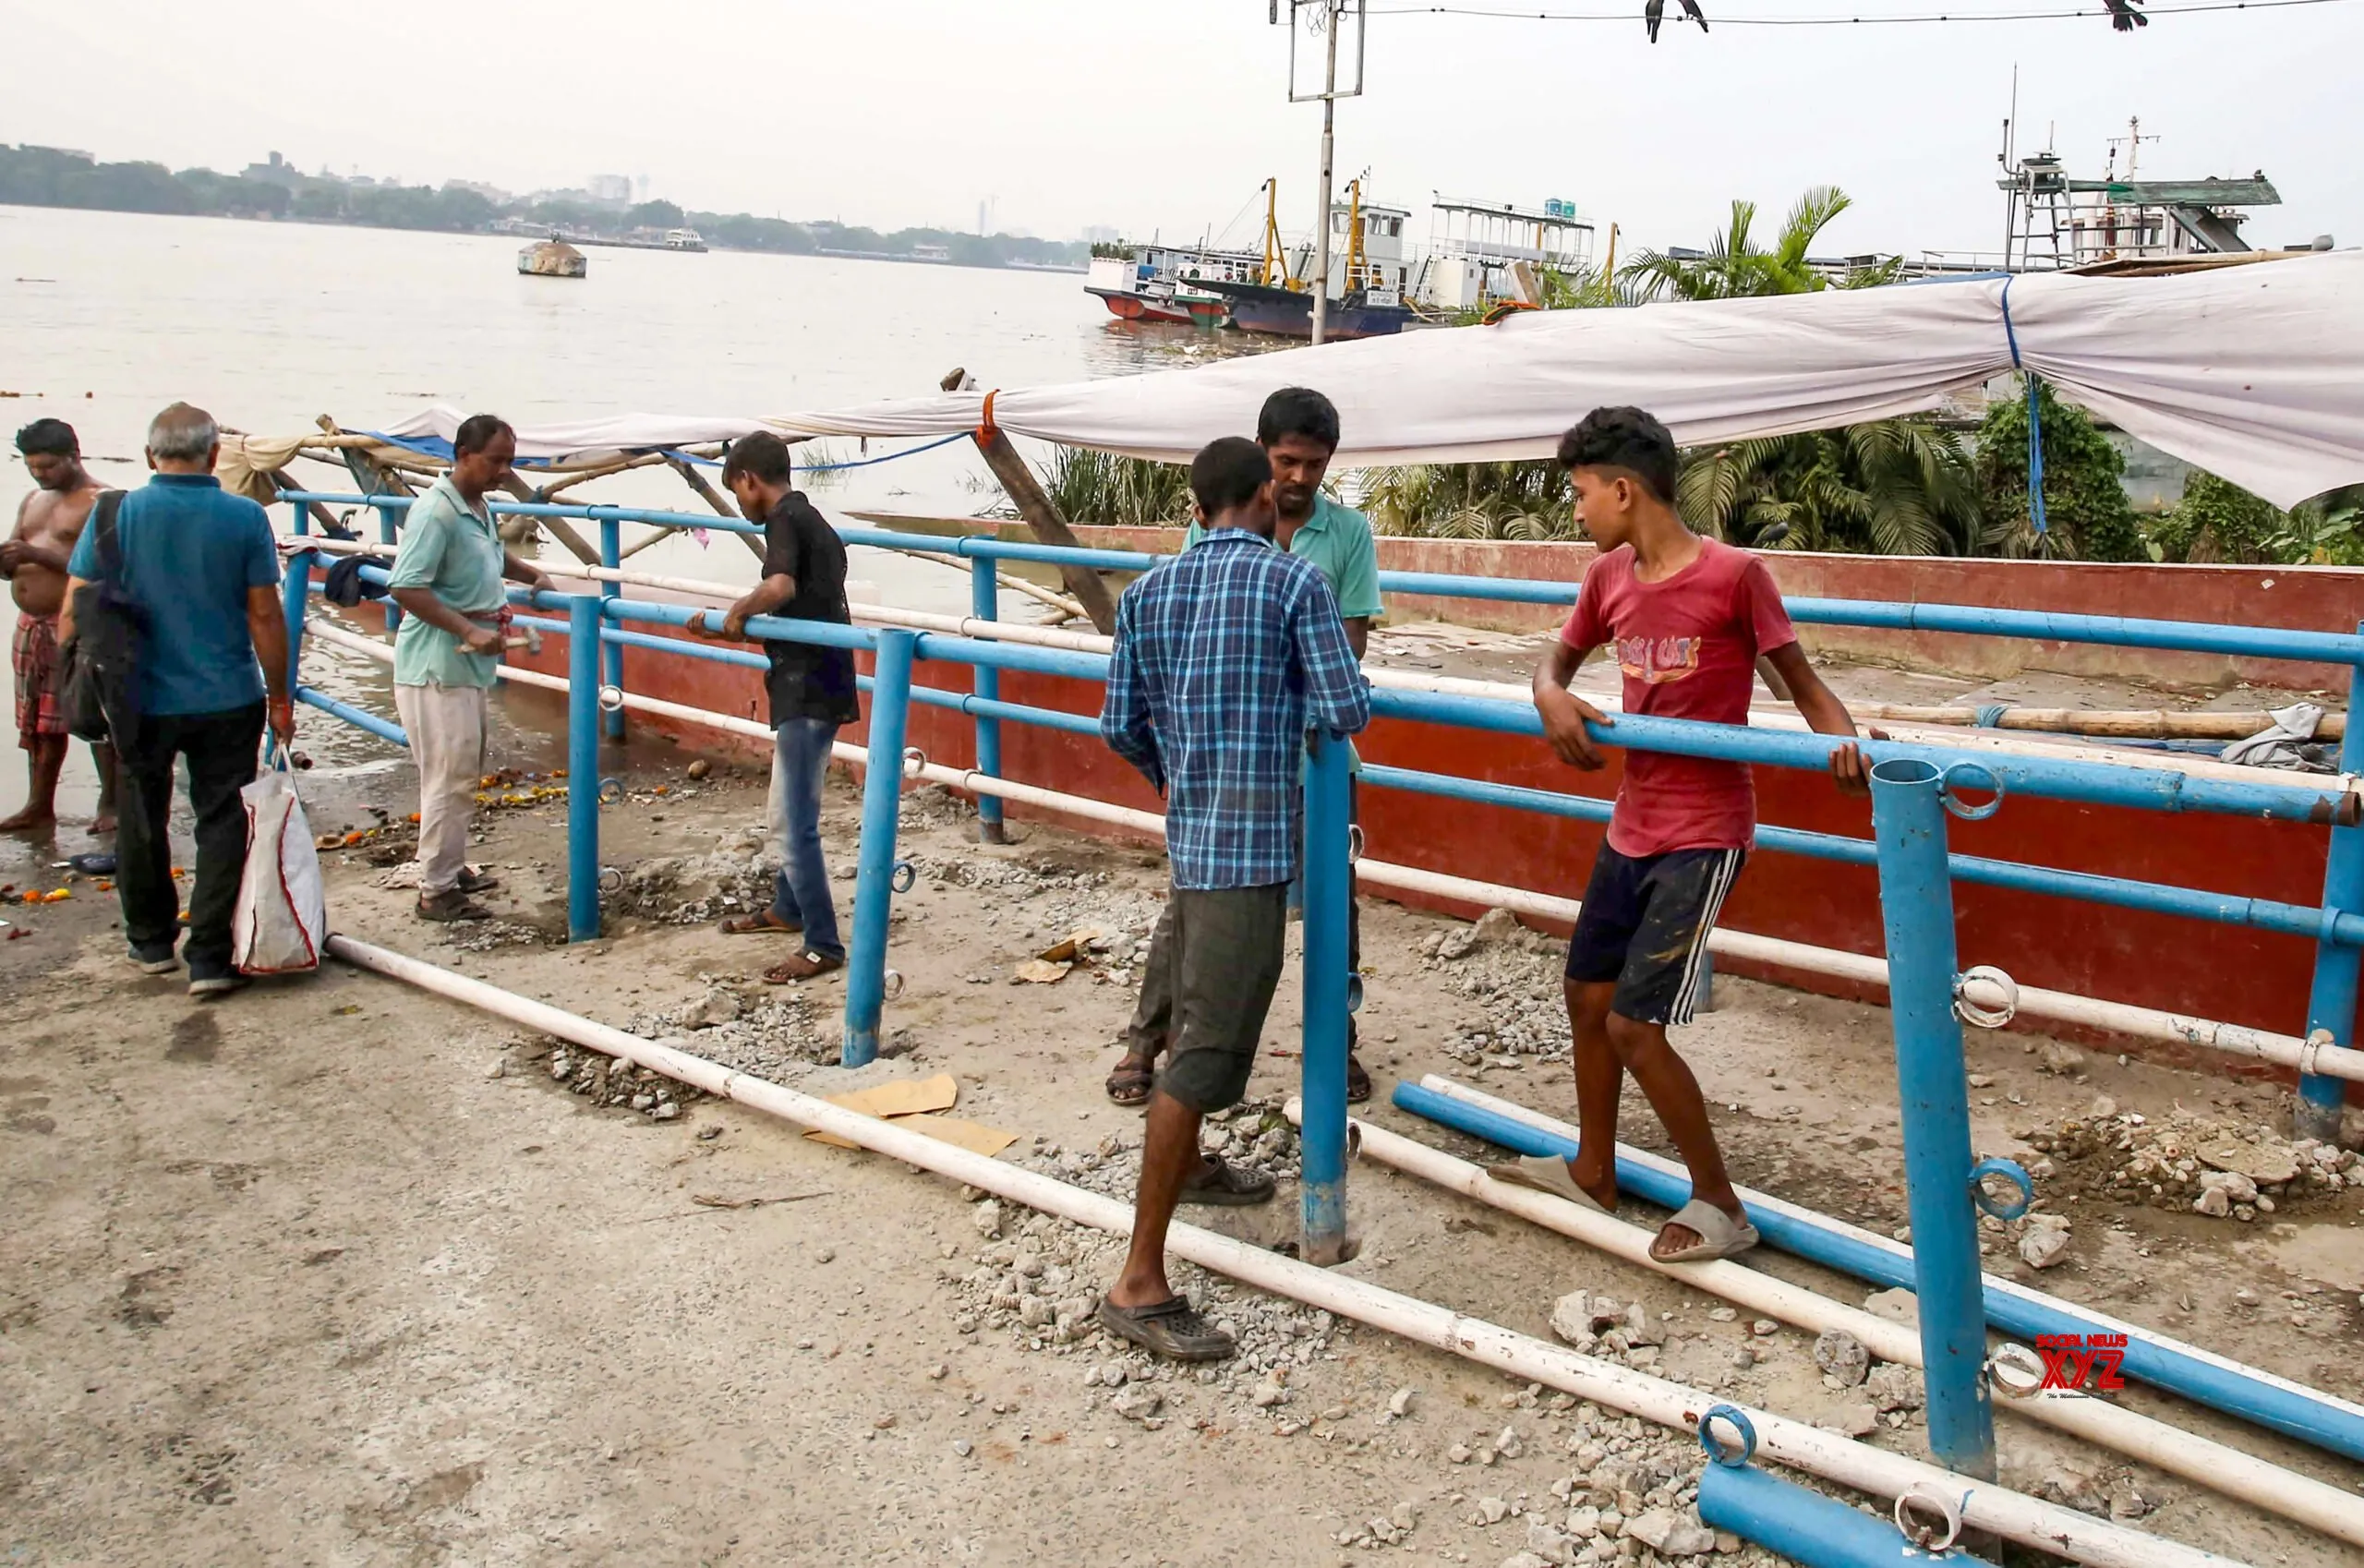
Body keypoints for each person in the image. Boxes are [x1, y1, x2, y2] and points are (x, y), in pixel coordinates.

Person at [1490, 406, 1870, 1261]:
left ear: (1624, 491)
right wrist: (1549, 695)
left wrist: (1846, 749)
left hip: (1704, 831)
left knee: (1633, 1025)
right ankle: (1593, 1169)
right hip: (1633, 824)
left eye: (1581, 494)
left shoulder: (1736, 576)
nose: (1576, 512)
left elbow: (1802, 684)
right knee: (1586, 997)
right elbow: (1556, 662)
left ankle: (1721, 1205)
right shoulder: (1607, 579)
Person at [1095, 437, 1369, 1360]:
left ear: (1195, 505)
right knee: (1206, 1055)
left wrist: (1179, 777)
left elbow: (1119, 724)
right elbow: (1345, 707)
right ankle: (1138, 1281)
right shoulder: (1294, 584)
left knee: (1194, 1026)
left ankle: (1196, 1168)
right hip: (1252, 855)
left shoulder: (1148, 593)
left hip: (1194, 841)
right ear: (1260, 496)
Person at [1108, 386, 1386, 1108]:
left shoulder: (1346, 534)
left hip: (1315, 764)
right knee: (1190, 906)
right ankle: (1147, 1040)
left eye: (1314, 464)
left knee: (1332, 907)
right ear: (1262, 461)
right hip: (1232, 756)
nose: (1299, 477)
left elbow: (1351, 640)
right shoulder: (1216, 529)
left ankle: (1334, 1043)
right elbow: (1203, 627)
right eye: (1288, 461)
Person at [61, 404, 293, 997]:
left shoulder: (113, 513)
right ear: (214, 455)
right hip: (227, 696)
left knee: (141, 815)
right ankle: (210, 958)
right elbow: (265, 614)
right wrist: (281, 697)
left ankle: (150, 943)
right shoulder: (245, 517)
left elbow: (75, 605)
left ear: (149, 455)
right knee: (221, 819)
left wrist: (73, 683)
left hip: (136, 698)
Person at [696, 430, 859, 983]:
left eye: (736, 491)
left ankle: (822, 944)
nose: (740, 503)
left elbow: (781, 586)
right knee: (789, 809)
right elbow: (808, 598)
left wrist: (738, 611)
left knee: (793, 822)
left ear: (748, 479)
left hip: (806, 685)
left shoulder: (784, 518)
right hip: (824, 676)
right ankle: (789, 907)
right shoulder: (815, 520)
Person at [384, 416, 553, 923]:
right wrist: (466, 629)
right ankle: (435, 890)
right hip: (437, 665)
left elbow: (493, 556)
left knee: (461, 771)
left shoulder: (477, 507)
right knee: (448, 775)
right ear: (462, 455)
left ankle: (450, 866)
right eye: (495, 461)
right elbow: (405, 585)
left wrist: (533, 574)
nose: (504, 472)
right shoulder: (436, 512)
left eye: (510, 462)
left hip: (468, 666)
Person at [3, 420, 116, 835]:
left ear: (74, 456)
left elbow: (106, 570)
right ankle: (38, 805)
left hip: (76, 622)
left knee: (92, 716)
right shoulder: (33, 499)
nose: (40, 474)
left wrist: (35, 555)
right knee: (37, 722)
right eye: (32, 466)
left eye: (48, 466)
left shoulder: (102, 501)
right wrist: (9, 562)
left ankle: (111, 804)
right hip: (31, 626)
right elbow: (16, 553)